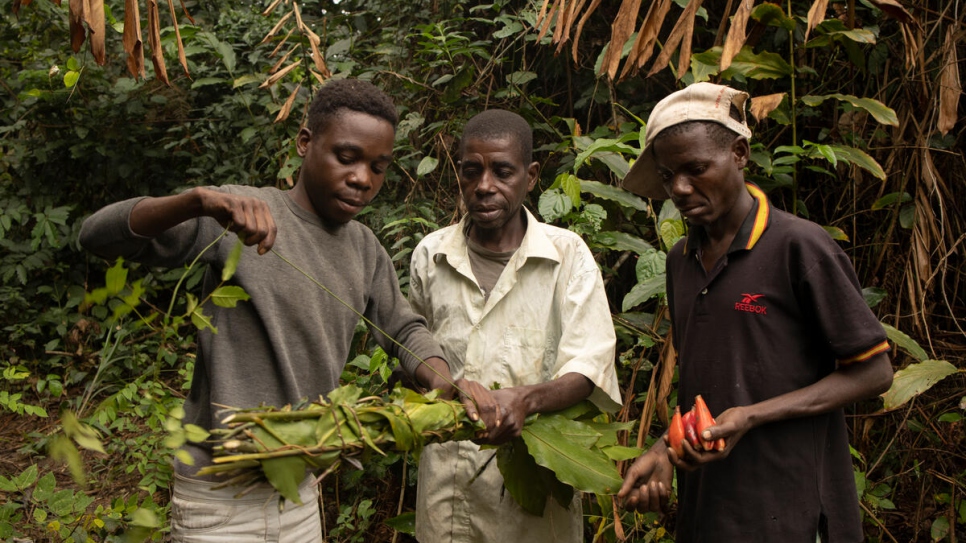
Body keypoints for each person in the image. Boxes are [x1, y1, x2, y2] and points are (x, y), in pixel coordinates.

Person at [78, 79, 456, 542]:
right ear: (305, 142)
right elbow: (96, 236)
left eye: (379, 167)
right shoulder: (238, 214)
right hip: (218, 498)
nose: (363, 179)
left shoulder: (364, 248)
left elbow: (403, 328)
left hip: (298, 493)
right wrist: (196, 201)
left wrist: (444, 381)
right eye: (347, 157)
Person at [617, 82, 894, 542]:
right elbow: (710, 381)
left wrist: (752, 416)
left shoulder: (798, 246)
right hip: (710, 512)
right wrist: (667, 447)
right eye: (668, 177)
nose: (681, 189)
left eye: (696, 168)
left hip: (795, 510)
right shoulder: (679, 260)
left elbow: (874, 372)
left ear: (740, 154)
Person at [407, 109, 623, 542]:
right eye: (472, 172)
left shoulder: (568, 256)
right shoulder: (431, 255)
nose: (484, 185)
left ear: (531, 176)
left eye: (502, 171)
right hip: (445, 492)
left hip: (533, 498)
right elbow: (413, 351)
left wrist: (525, 400)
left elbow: (590, 364)